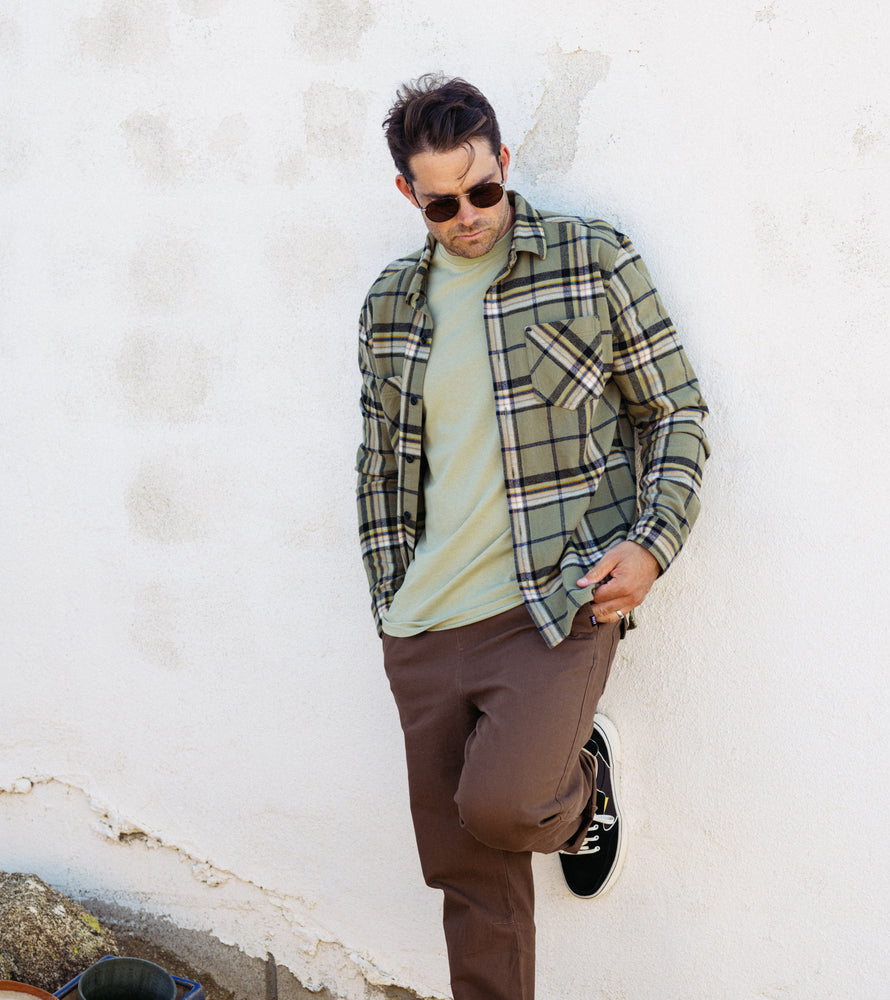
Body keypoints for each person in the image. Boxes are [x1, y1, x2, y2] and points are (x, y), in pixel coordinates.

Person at [356, 74, 709, 1000]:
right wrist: (389, 595)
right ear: (408, 194)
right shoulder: (390, 304)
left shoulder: (592, 260)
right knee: (466, 876)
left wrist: (652, 544)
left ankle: (578, 785)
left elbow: (676, 412)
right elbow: (380, 463)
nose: (468, 216)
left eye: (482, 189)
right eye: (441, 203)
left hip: (553, 601)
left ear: (505, 161)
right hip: (424, 621)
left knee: (506, 806)